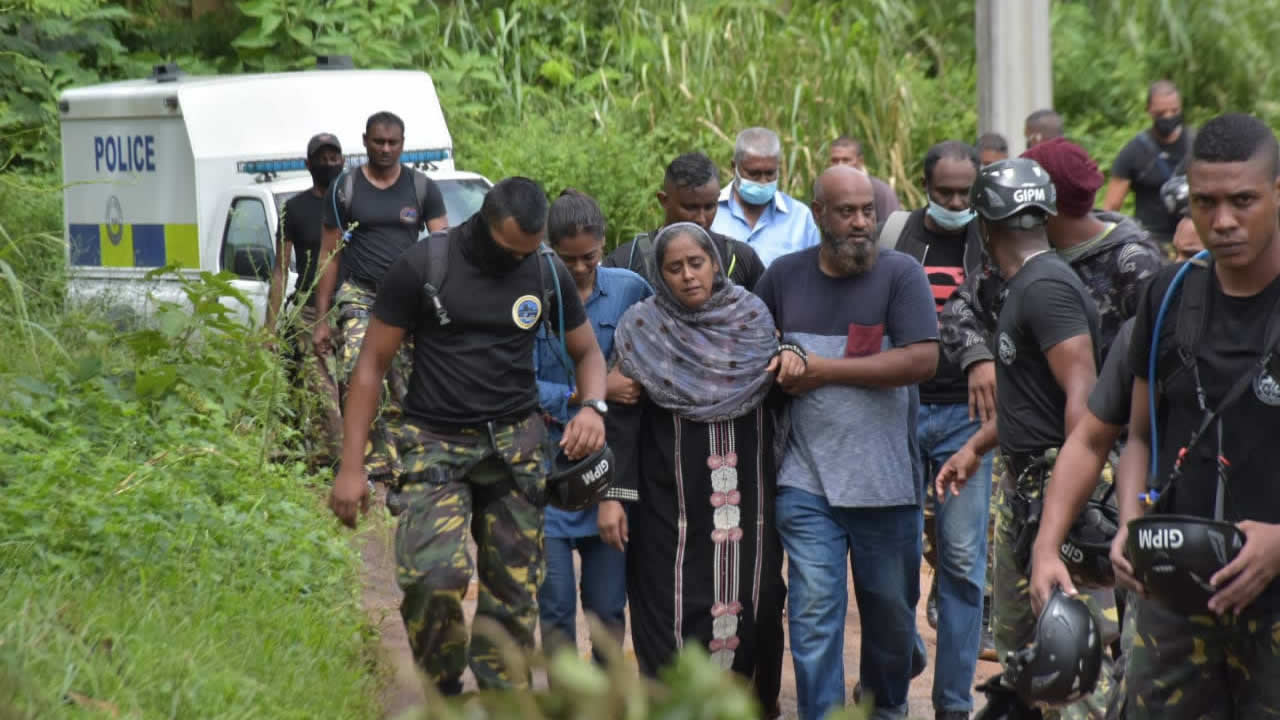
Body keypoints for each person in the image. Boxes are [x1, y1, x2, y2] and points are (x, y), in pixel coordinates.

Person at [1031, 113, 1280, 720]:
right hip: (1172, 601)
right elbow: (1124, 433)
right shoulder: (1170, 295)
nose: (1222, 221)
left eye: (1243, 200)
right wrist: (1110, 528)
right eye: (1205, 202)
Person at [327, 177, 608, 693]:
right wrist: (351, 467)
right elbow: (371, 364)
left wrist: (593, 407)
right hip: (434, 440)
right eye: (507, 251)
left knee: (514, 598)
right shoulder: (425, 265)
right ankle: (444, 691)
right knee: (433, 582)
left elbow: (587, 352)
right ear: (482, 223)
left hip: (516, 449)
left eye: (525, 251)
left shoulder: (544, 269)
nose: (513, 262)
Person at [759, 165, 939, 720]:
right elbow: (758, 355)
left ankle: (887, 706)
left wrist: (824, 370)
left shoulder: (901, 274)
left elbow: (922, 359)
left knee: (889, 616)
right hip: (805, 480)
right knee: (814, 615)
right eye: (847, 211)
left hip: (885, 484)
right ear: (818, 214)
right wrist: (781, 362)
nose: (861, 222)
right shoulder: (782, 278)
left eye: (868, 211)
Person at [936, 157, 1111, 719]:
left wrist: (1063, 517)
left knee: (1073, 653)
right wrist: (977, 447)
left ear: (983, 228)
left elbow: (1084, 406)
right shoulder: (1026, 287)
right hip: (1026, 483)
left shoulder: (1047, 290)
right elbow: (1032, 398)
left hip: (1055, 490)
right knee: (1025, 653)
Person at [608, 222, 787, 718]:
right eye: (674, 268)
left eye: (697, 263)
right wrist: (616, 496)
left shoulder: (752, 321)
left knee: (759, 598)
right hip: (669, 504)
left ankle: (752, 705)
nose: (688, 276)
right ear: (659, 276)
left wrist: (792, 354)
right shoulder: (642, 329)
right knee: (669, 605)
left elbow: (782, 394)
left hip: (749, 501)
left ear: (714, 263)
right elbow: (622, 420)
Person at [875, 141, 992, 719]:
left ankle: (953, 706)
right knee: (893, 562)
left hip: (967, 422)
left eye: (964, 193)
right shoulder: (897, 235)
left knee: (964, 562)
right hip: (898, 410)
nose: (954, 202)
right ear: (924, 186)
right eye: (943, 192)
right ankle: (895, 678)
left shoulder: (993, 238)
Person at [534, 189, 652, 663]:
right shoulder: (530, 297)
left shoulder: (629, 290)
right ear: (548, 250)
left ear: (605, 244)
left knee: (607, 608)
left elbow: (648, 363)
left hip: (610, 475)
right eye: (568, 260)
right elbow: (512, 381)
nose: (580, 269)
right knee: (555, 605)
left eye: (590, 257)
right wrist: (583, 395)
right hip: (546, 475)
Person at [313, 111, 448, 484]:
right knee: (359, 369)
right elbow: (329, 253)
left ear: (403, 144)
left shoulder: (422, 188)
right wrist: (322, 319)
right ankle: (370, 462)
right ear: (365, 141)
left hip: (407, 298)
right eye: (378, 142)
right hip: (361, 294)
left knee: (406, 380)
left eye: (393, 143)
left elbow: (442, 245)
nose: (386, 149)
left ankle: (405, 460)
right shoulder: (345, 189)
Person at [267, 132, 345, 467]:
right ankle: (342, 464)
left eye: (334, 157)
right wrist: (270, 329)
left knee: (357, 388)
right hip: (309, 310)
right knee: (321, 391)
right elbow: (280, 270)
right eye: (322, 157)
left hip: (353, 308)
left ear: (343, 161)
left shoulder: (352, 204)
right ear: (308, 163)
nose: (328, 163)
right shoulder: (294, 209)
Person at [604, 152, 766, 291]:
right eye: (690, 208)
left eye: (710, 207)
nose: (701, 219)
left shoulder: (740, 258)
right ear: (664, 200)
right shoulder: (626, 261)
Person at [711, 127, 821, 268]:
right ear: (734, 167)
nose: (763, 181)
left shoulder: (799, 217)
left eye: (770, 173)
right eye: (754, 174)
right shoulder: (711, 211)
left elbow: (814, 270)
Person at [1103, 80, 1193, 247]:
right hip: (1152, 242)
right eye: (1161, 113)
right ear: (1149, 110)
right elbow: (1111, 207)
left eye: (1174, 111)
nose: (1168, 117)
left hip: (1194, 239)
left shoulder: (1196, 144)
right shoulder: (1134, 152)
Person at [828, 135, 902, 221]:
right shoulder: (827, 193)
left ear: (860, 161)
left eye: (846, 160)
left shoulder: (880, 192)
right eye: (834, 160)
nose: (839, 165)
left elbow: (893, 230)